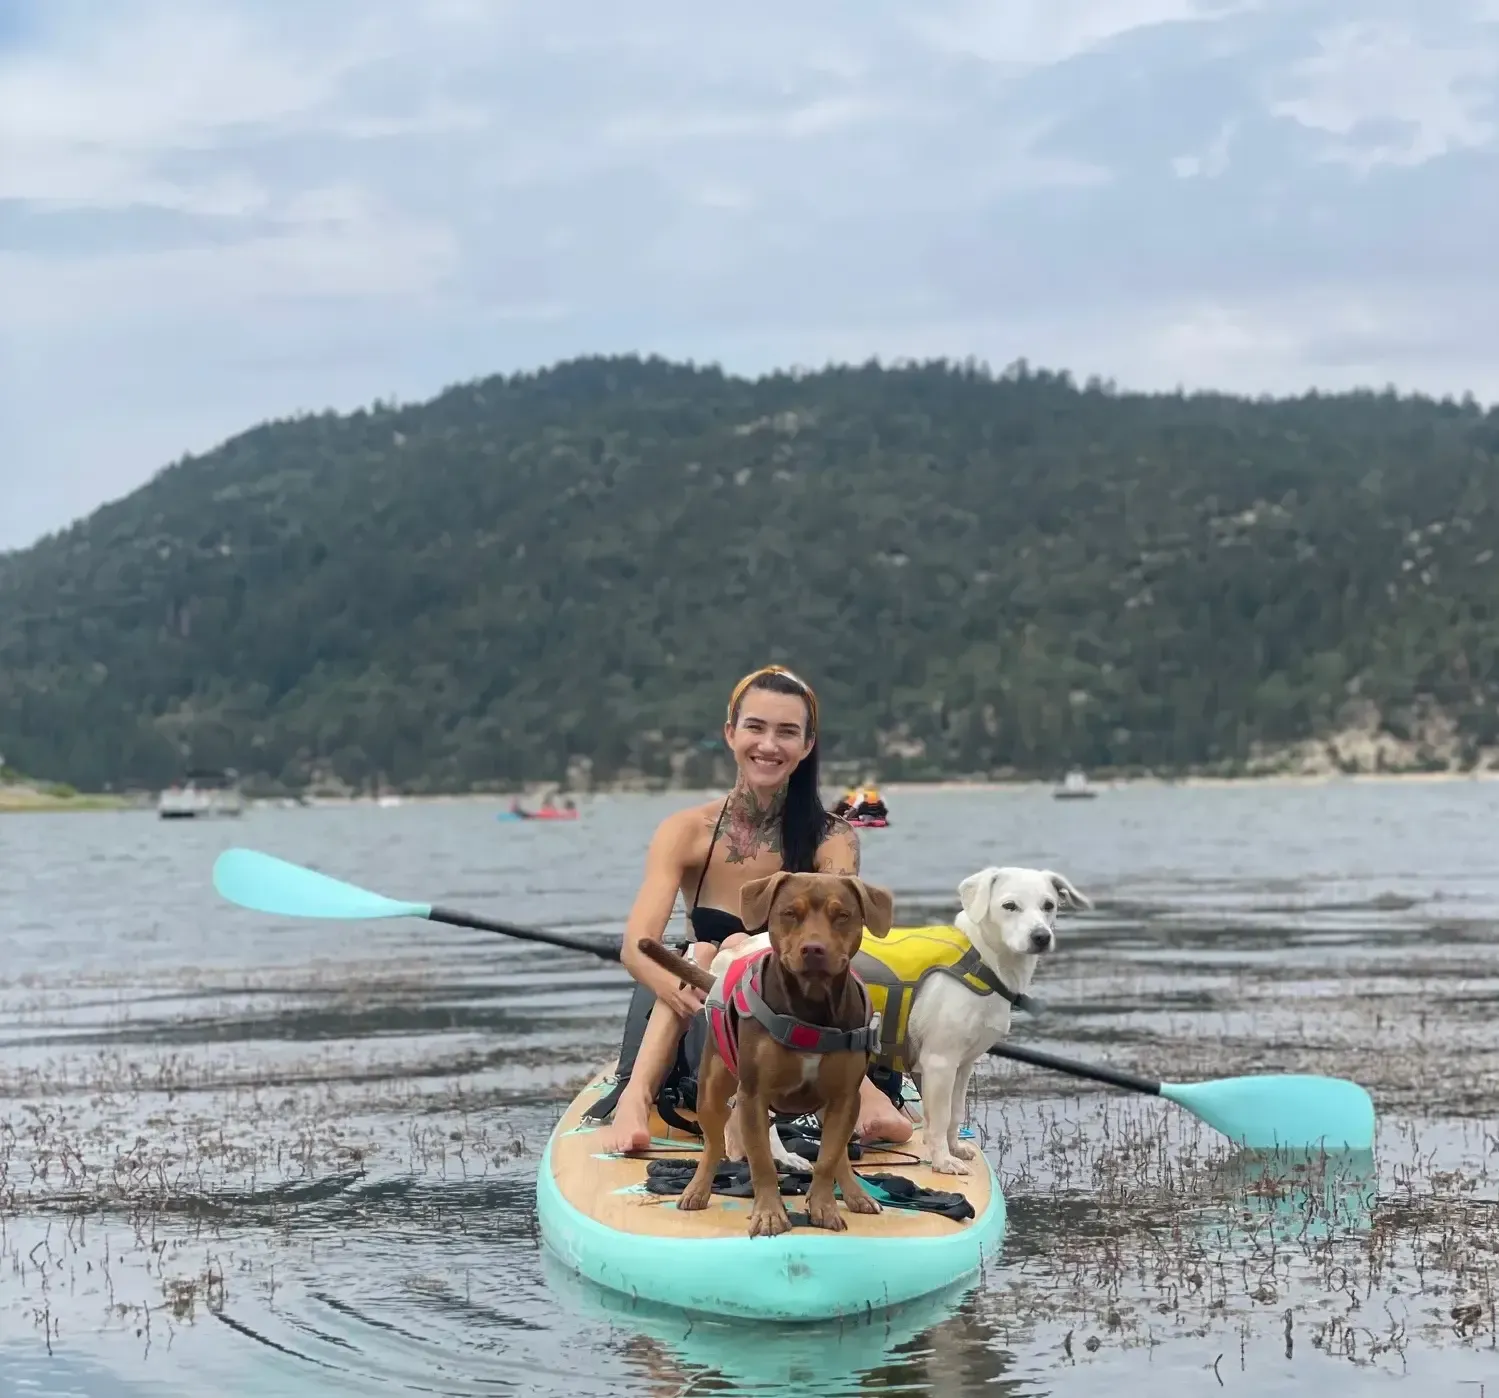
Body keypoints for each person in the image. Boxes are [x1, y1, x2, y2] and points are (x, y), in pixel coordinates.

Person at [592, 664, 914, 1154]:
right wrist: (676, 986)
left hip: (805, 1010)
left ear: (807, 746)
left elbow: (843, 941)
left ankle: (864, 1096)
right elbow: (639, 949)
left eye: (787, 732)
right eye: (755, 727)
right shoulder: (687, 831)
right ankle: (636, 1099)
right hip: (715, 1013)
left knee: (810, 964)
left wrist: (754, 946)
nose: (769, 745)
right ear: (730, 733)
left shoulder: (833, 838)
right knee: (698, 951)